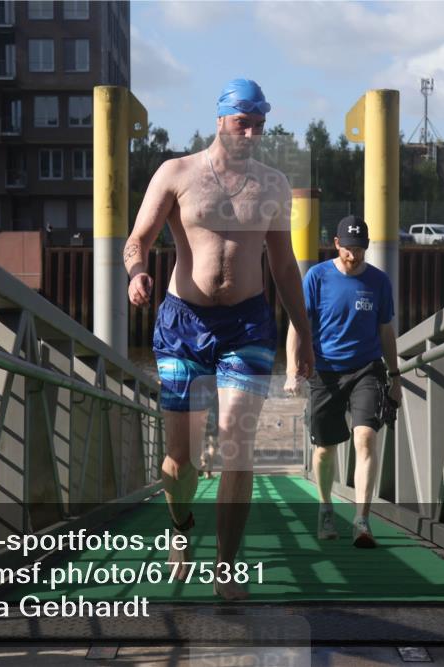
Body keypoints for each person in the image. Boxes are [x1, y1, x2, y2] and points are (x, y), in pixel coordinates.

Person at [123, 78, 314, 600]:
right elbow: (137, 239)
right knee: (180, 459)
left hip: (248, 325)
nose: (250, 133)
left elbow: (284, 264)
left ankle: (226, 567)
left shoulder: (273, 185)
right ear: (221, 119)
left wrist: (303, 329)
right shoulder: (177, 173)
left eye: (258, 125)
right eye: (242, 122)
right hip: (183, 323)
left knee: (236, 444)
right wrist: (138, 273)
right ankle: (180, 526)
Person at [284, 216, 402, 548]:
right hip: (325, 372)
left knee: (365, 439)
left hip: (367, 369)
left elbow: (385, 330)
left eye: (361, 249)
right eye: (349, 249)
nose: (355, 256)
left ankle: (362, 520)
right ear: (336, 244)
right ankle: (325, 508)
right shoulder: (317, 277)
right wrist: (293, 370)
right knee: (324, 449)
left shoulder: (379, 281)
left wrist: (395, 376)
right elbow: (298, 324)